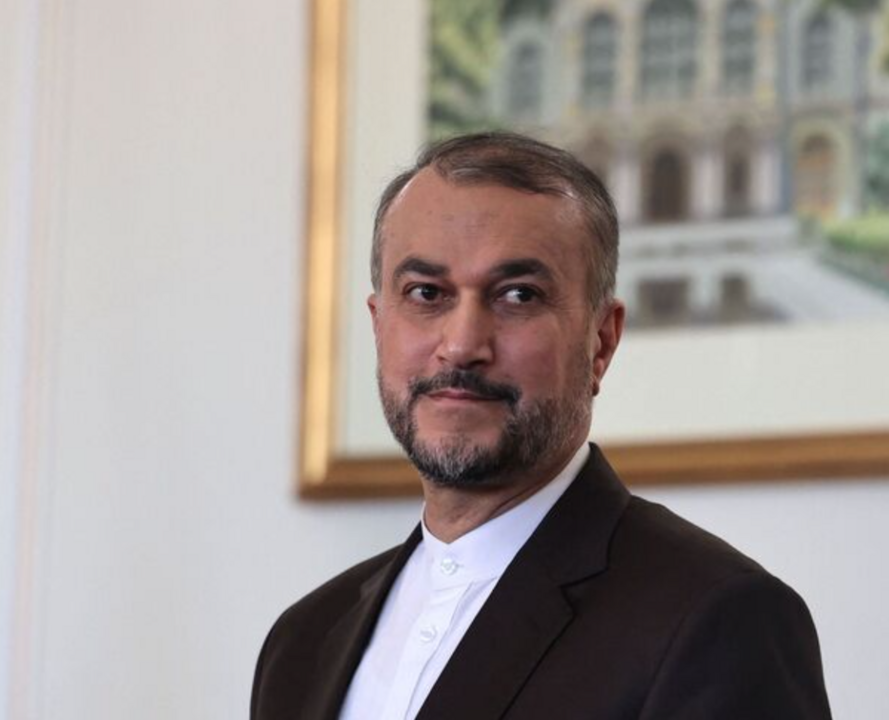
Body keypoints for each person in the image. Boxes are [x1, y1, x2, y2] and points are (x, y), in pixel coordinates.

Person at [251, 132, 832, 719]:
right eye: (426, 293)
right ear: (379, 326)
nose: (461, 345)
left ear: (600, 342)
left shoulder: (718, 619)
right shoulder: (302, 641)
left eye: (518, 296)